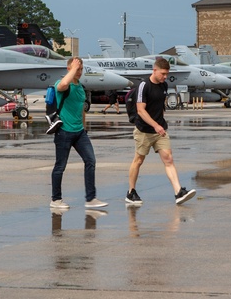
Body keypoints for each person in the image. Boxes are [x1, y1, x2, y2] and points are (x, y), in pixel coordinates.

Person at [125, 57, 196, 206]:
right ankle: (131, 192)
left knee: (168, 159)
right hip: (144, 130)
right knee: (138, 160)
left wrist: (160, 125)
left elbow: (160, 107)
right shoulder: (144, 85)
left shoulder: (164, 86)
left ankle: (178, 192)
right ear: (154, 70)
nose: (165, 77)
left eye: (166, 74)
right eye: (163, 73)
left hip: (160, 130)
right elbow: (140, 110)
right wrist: (155, 125)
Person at [50, 58, 108, 212]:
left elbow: (81, 109)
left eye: (81, 69)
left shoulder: (81, 87)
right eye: (77, 69)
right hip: (64, 132)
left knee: (90, 161)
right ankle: (56, 199)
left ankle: (90, 199)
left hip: (79, 132)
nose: (79, 72)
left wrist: (84, 127)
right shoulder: (61, 83)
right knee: (60, 166)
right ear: (69, 69)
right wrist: (73, 70)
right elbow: (62, 85)